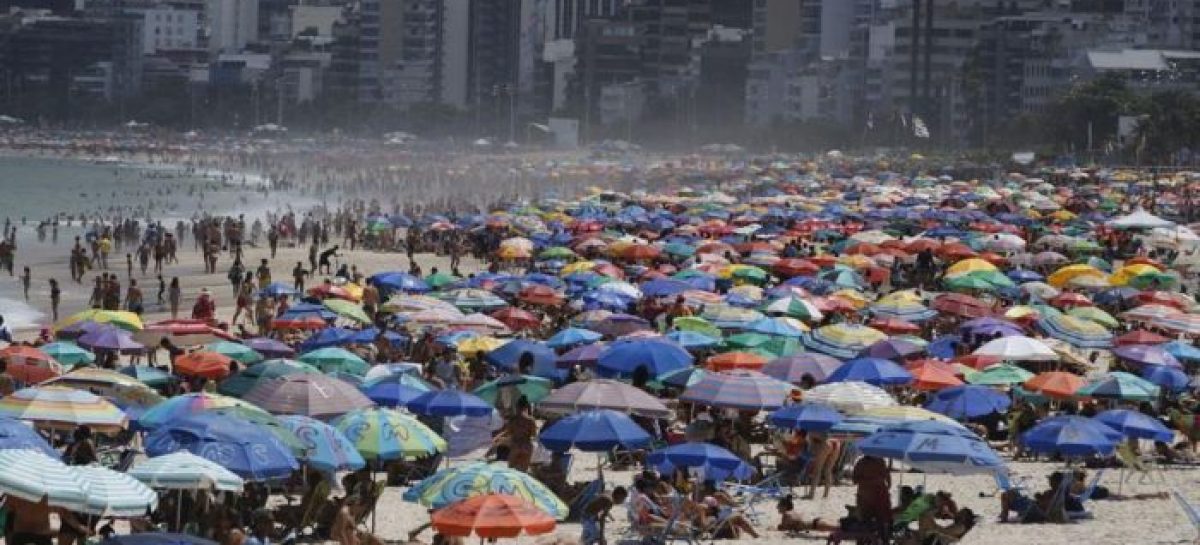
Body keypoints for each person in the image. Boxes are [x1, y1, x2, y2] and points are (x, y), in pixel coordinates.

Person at [852, 455, 892, 536]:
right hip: (877, 496)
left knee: (867, 522)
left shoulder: (861, 462)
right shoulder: (880, 461)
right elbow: (888, 479)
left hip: (867, 496)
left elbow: (855, 479)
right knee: (881, 522)